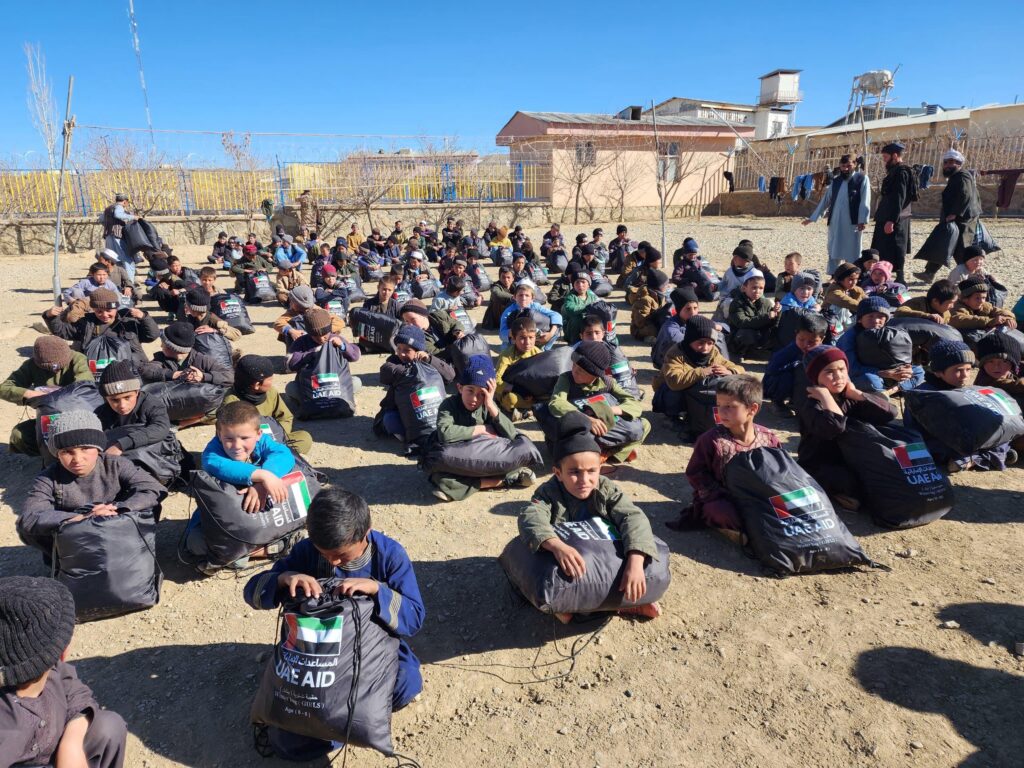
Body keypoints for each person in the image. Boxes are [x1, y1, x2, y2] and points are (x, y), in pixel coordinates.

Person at [242, 487, 424, 761]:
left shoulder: (389, 555)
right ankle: (338, 724)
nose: (333, 561)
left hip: (370, 654)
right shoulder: (306, 552)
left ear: (365, 533)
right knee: (287, 745)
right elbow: (252, 592)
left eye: (342, 555)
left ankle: (336, 722)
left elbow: (415, 617)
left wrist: (378, 590)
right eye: (325, 553)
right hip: (316, 655)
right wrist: (284, 578)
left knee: (406, 684)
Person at [518, 410, 661, 623]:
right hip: (571, 555)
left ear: (600, 468)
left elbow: (633, 517)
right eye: (574, 472)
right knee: (547, 570)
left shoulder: (606, 489)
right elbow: (531, 515)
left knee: (640, 564)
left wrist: (636, 559)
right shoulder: (549, 492)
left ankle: (625, 602)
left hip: (603, 553)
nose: (584, 480)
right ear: (558, 473)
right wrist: (557, 546)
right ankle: (610, 606)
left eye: (592, 471)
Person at [0, 576, 128, 768]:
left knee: (109, 727)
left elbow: (73, 689)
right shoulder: (7, 728)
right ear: (63, 652)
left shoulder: (42, 665)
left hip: (57, 751)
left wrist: (72, 741)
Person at [18, 410, 166, 557]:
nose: (77, 459)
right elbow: (30, 516)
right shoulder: (49, 477)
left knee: (150, 505)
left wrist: (117, 508)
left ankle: (136, 550)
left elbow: (153, 489)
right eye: (67, 452)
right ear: (57, 454)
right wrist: (84, 518)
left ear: (98, 448)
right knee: (29, 530)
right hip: (76, 533)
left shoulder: (115, 464)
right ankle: (61, 558)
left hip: (116, 523)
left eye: (85, 448)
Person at [184, 401, 298, 572]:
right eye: (229, 439)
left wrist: (262, 483)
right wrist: (262, 476)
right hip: (224, 520)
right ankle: (268, 549)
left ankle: (245, 554)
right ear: (219, 434)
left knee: (231, 552)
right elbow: (223, 467)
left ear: (258, 434)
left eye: (244, 438)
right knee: (195, 543)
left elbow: (284, 454)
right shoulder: (211, 455)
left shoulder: (262, 441)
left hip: (258, 516)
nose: (237, 446)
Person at [668, 374, 782, 537]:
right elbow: (696, 474)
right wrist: (722, 494)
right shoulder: (711, 440)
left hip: (760, 496)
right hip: (723, 497)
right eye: (719, 405)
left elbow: (779, 472)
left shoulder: (768, 439)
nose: (722, 411)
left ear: (752, 409)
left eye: (730, 406)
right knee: (721, 511)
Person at [796, 346, 897, 509]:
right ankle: (837, 494)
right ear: (815, 377)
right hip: (821, 463)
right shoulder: (812, 405)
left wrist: (857, 394)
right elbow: (834, 428)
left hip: (853, 457)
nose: (838, 376)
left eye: (842, 369)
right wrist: (826, 397)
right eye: (829, 372)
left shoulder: (850, 397)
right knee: (848, 482)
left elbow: (890, 413)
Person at [428, 355, 537, 502]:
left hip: (483, 459)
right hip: (459, 460)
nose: (474, 399)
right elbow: (445, 433)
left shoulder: (487, 406)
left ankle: (467, 486)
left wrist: (491, 405)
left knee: (522, 446)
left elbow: (511, 435)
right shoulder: (449, 405)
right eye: (470, 391)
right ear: (460, 388)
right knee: (438, 472)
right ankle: (500, 481)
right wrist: (481, 429)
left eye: (481, 394)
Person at [905, 340, 1018, 471]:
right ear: (938, 372)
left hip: (968, 438)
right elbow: (921, 432)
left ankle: (988, 455)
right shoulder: (924, 396)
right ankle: (979, 458)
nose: (965, 376)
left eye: (968, 369)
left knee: (1003, 430)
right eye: (958, 370)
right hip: (941, 442)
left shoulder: (961, 389)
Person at [543, 341, 650, 464]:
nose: (575, 371)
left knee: (644, 425)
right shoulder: (566, 379)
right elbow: (556, 403)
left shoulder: (608, 382)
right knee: (573, 440)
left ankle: (608, 453)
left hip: (604, 427)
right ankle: (609, 451)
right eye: (574, 365)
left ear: (595, 375)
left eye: (581, 370)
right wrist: (587, 419)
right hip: (582, 428)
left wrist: (609, 410)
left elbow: (634, 403)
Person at [1, 336, 92, 456]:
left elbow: (85, 386)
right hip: (49, 419)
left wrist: (57, 396)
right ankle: (49, 455)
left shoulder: (78, 359)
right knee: (19, 435)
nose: (55, 370)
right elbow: (4, 388)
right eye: (50, 367)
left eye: (59, 366)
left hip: (78, 417)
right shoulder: (31, 365)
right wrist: (29, 394)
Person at [654, 315, 744, 435]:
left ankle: (694, 416)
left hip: (693, 391)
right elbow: (674, 382)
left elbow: (740, 369)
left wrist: (730, 371)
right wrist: (703, 372)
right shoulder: (676, 353)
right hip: (671, 388)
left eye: (710, 343)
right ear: (690, 340)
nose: (705, 348)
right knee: (671, 391)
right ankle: (671, 417)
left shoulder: (713, 352)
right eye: (700, 343)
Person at [43, 288, 160, 367]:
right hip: (96, 368)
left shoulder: (128, 321)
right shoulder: (86, 323)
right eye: (99, 311)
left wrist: (144, 317)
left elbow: (152, 335)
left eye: (109, 311)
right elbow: (62, 331)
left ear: (116, 308)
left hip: (130, 367)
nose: (104, 315)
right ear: (93, 309)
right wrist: (50, 317)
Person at [376, 324, 456, 440]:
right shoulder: (394, 360)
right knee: (390, 419)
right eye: (399, 348)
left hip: (429, 409)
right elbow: (385, 372)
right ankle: (406, 435)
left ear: (419, 351)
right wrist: (410, 371)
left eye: (407, 350)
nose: (401, 353)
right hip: (404, 411)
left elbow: (450, 375)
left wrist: (429, 360)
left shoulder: (428, 363)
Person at [914, 149, 983, 283]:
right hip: (957, 218)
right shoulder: (956, 176)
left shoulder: (962, 176)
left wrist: (954, 213)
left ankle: (972, 277)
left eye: (951, 162)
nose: (947, 165)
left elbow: (965, 195)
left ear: (959, 164)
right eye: (946, 162)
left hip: (963, 219)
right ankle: (929, 273)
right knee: (944, 243)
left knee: (961, 248)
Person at [222, 355, 313, 455]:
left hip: (273, 438)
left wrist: (277, 435)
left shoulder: (271, 392)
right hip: (246, 445)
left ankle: (272, 455)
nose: (272, 382)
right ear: (257, 385)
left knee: (304, 438)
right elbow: (231, 434)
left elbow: (285, 417)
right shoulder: (232, 402)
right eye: (270, 379)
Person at [837, 296, 924, 394]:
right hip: (865, 374)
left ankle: (892, 390)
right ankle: (890, 389)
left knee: (918, 371)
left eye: (881, 316)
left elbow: (900, 355)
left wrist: (905, 369)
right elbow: (852, 369)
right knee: (870, 380)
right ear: (860, 319)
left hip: (887, 372)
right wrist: (885, 374)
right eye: (870, 316)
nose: (876, 321)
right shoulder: (849, 338)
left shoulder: (888, 332)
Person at [802, 154, 871, 274]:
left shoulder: (862, 179)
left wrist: (862, 220)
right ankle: (833, 275)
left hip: (853, 223)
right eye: (843, 166)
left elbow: (865, 201)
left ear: (855, 165)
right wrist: (813, 218)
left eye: (848, 166)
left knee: (852, 250)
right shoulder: (836, 181)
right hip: (835, 221)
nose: (845, 169)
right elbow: (826, 201)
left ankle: (852, 275)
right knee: (834, 249)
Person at [95, 360, 174, 464]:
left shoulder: (150, 404)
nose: (122, 405)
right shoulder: (101, 413)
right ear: (106, 399)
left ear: (137, 392)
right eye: (114, 400)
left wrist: (121, 445)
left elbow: (161, 428)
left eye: (127, 397)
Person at [763, 312, 828, 416]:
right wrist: (796, 366)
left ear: (822, 339)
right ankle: (777, 402)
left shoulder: (822, 352)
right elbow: (772, 369)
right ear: (796, 333)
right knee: (789, 375)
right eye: (801, 339)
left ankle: (796, 401)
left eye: (812, 342)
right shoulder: (790, 351)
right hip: (776, 383)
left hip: (801, 384)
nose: (806, 344)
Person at [870, 142, 917, 284]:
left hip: (894, 218)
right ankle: (884, 274)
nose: (884, 160)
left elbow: (899, 197)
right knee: (884, 248)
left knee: (895, 247)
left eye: (886, 157)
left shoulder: (901, 172)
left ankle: (900, 278)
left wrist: (891, 220)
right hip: (890, 216)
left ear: (895, 156)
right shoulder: (895, 171)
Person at [286, 307, 363, 392]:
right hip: (311, 384)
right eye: (316, 336)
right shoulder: (302, 341)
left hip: (335, 382)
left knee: (356, 382)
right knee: (291, 388)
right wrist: (312, 354)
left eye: (324, 335)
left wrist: (342, 346)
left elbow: (355, 356)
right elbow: (290, 364)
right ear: (310, 333)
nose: (321, 339)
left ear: (329, 330)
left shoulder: (336, 339)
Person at [140, 321, 234, 388]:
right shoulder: (161, 358)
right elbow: (146, 370)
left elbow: (229, 377)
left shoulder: (202, 360)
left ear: (173, 348)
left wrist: (203, 376)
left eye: (163, 344)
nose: (161, 346)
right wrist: (174, 374)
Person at [949, 275, 1017, 346]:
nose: (982, 301)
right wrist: (990, 321)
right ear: (965, 299)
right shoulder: (956, 307)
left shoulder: (984, 306)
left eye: (984, 298)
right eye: (977, 298)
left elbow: (999, 311)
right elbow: (960, 319)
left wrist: (1008, 318)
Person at [495, 316, 541, 420]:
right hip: (514, 391)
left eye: (531, 337)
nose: (527, 342)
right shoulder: (507, 355)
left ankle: (529, 410)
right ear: (513, 338)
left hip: (532, 392)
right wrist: (517, 389)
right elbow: (496, 381)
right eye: (522, 338)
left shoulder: (538, 353)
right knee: (511, 399)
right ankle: (531, 410)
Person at [498, 281, 562, 350]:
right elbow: (502, 334)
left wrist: (550, 334)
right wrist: (514, 332)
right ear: (514, 297)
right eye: (520, 295)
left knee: (556, 326)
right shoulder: (508, 312)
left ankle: (545, 349)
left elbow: (556, 315)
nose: (523, 298)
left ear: (532, 298)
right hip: (514, 342)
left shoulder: (535, 306)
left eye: (527, 295)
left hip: (535, 339)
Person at [651, 286, 703, 369]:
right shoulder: (670, 325)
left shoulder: (696, 319)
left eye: (695, 308)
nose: (693, 312)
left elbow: (715, 326)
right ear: (679, 310)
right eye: (688, 309)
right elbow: (676, 338)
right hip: (665, 361)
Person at [727, 274, 777, 359]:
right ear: (744, 288)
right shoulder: (737, 303)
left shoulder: (766, 303)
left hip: (760, 336)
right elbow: (742, 323)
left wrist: (777, 313)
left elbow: (773, 323)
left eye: (761, 288)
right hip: (741, 337)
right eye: (754, 288)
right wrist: (767, 317)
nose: (757, 291)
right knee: (746, 334)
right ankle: (741, 352)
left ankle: (757, 351)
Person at [975, 333, 1024, 409]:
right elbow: (1018, 386)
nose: (996, 366)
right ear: (982, 364)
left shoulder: (1009, 371)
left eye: (1004, 361)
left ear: (1013, 365)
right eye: (990, 361)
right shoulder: (986, 381)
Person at [821, 262, 867, 335]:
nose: (854, 282)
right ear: (841, 279)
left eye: (856, 279)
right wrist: (868, 308)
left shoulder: (849, 287)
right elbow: (849, 303)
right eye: (851, 279)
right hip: (829, 322)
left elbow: (865, 297)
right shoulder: (834, 292)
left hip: (842, 321)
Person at [100, 192, 138, 280]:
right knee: (128, 261)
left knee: (114, 260)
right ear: (125, 201)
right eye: (127, 203)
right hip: (118, 237)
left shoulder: (108, 208)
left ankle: (117, 281)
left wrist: (109, 226)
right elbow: (118, 214)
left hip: (109, 237)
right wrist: (133, 217)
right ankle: (130, 282)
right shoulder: (119, 207)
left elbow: (101, 219)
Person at [630, 269, 670, 343]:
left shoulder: (660, 295)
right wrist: (655, 317)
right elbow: (640, 322)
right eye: (666, 285)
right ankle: (646, 338)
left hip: (654, 321)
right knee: (656, 330)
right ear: (658, 287)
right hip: (640, 329)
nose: (668, 286)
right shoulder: (645, 299)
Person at [561, 270, 599, 344]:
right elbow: (570, 309)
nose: (580, 285)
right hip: (573, 329)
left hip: (589, 325)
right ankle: (575, 343)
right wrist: (587, 307)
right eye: (577, 282)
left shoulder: (592, 296)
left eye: (583, 282)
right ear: (573, 285)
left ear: (588, 284)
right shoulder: (570, 297)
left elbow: (599, 304)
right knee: (577, 319)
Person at [482, 266, 515, 330]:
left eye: (508, 277)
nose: (506, 280)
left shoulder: (514, 286)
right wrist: (513, 297)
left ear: (513, 278)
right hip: (495, 319)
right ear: (499, 278)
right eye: (503, 277)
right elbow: (496, 293)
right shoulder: (496, 286)